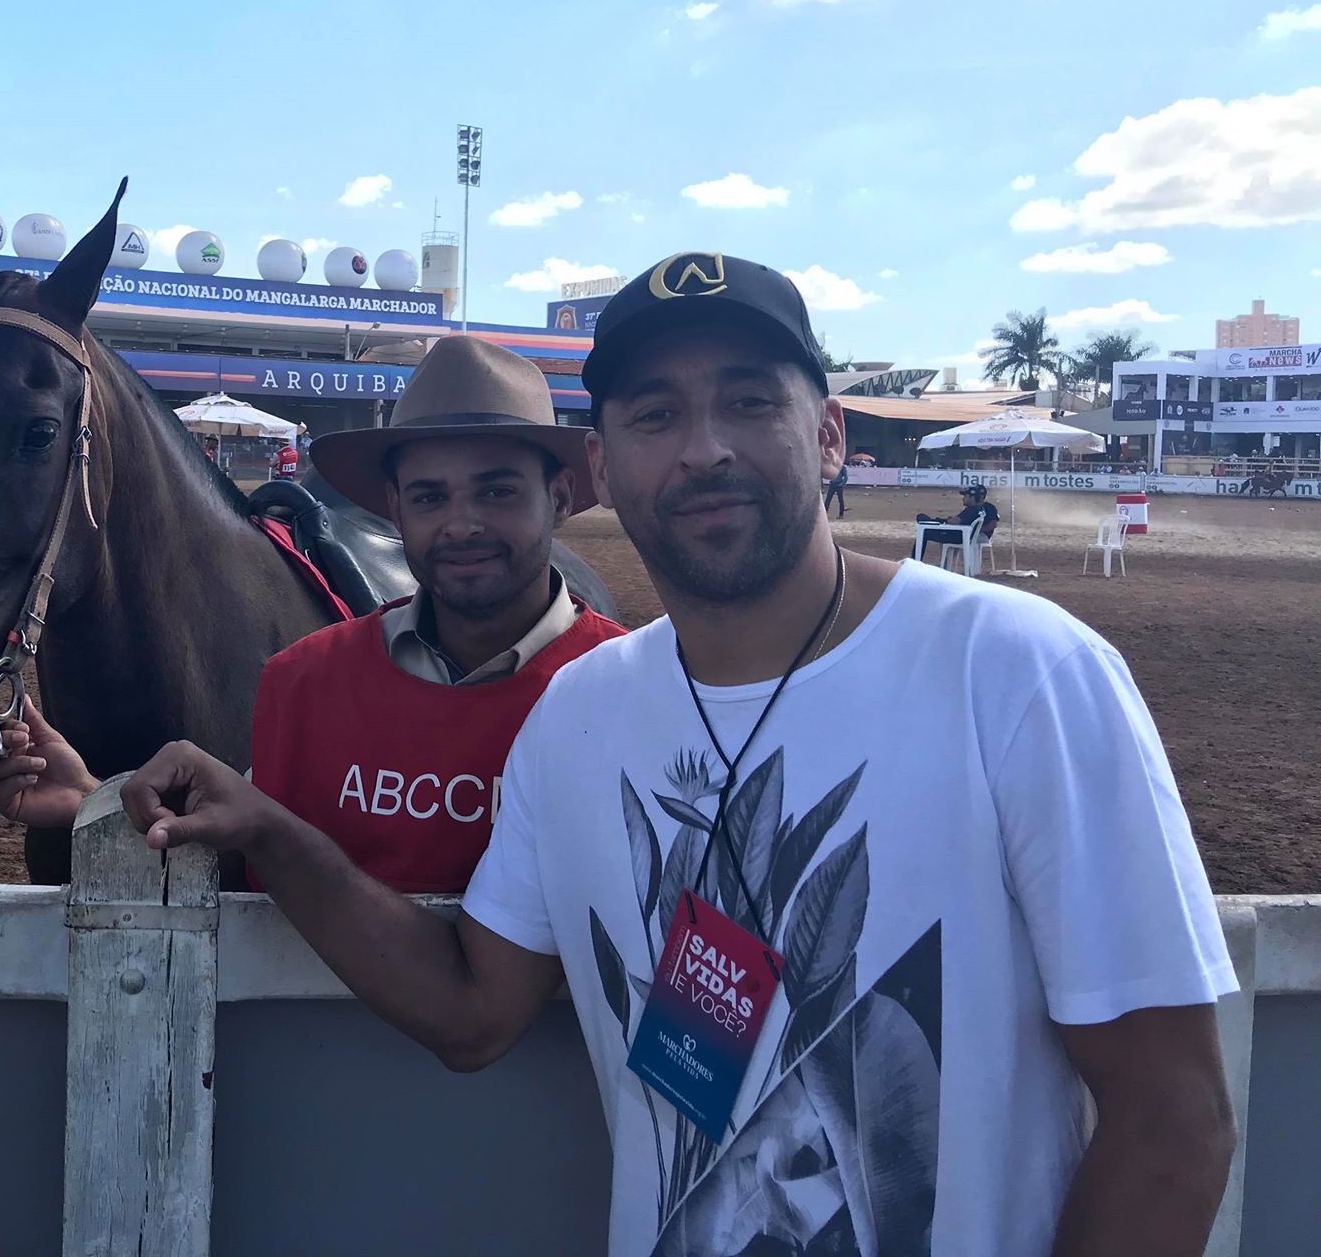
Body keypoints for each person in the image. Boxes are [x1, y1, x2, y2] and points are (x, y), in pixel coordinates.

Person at [122, 253, 1236, 1255]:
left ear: (828, 433)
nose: (702, 449)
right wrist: (270, 826)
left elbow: (1171, 1125)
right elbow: (470, 1012)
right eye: (654, 416)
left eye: (748, 402)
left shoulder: (1019, 672)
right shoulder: (577, 715)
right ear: (603, 465)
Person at [0, 335, 624, 894]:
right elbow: (241, 847)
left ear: (561, 496)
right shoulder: (301, 682)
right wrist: (91, 804)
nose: (462, 524)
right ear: (395, 511)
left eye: (497, 490)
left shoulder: (641, 692)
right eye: (430, 496)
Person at [915, 482, 999, 559]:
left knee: (923, 528)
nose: (963, 498)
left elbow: (993, 524)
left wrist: (976, 530)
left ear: (975, 496)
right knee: (925, 522)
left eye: (965, 496)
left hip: (967, 536)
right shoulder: (977, 509)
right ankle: (944, 565)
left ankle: (916, 561)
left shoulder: (977, 509)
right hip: (965, 534)